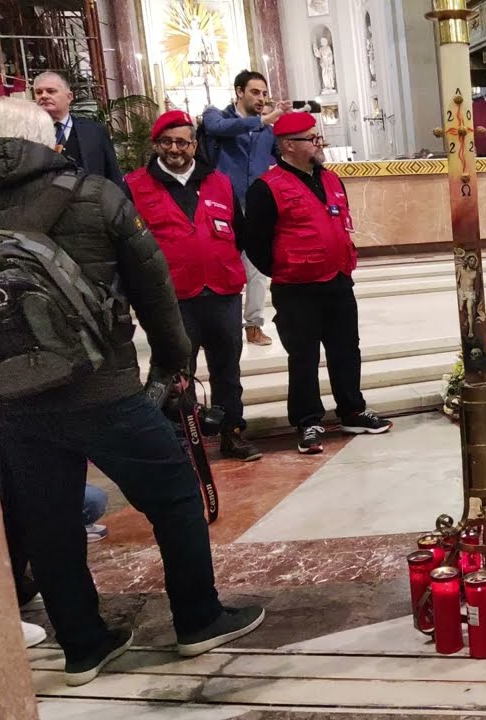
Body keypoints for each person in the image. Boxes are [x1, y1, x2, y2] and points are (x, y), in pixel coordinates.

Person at [0, 97, 264, 687]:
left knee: (49, 524)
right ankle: (198, 618)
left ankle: (84, 647)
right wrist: (170, 367)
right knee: (174, 497)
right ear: (48, 140)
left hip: (11, 399)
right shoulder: (94, 195)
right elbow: (155, 290)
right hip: (103, 387)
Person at [244, 112, 393, 454]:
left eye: (318, 137)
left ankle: (352, 411)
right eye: (312, 139)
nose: (319, 143)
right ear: (288, 146)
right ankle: (308, 421)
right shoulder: (266, 188)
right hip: (296, 288)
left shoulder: (331, 180)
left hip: (338, 281)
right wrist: (287, 268)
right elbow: (255, 243)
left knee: (346, 350)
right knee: (304, 357)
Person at [125, 110, 262, 462]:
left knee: (227, 370)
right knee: (174, 373)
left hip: (222, 293)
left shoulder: (218, 182)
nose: (175, 148)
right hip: (172, 299)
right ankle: (179, 440)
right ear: (156, 144)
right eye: (167, 141)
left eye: (182, 141)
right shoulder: (135, 185)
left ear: (194, 144)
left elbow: (241, 234)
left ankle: (232, 432)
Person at [201, 70, 292, 348]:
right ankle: (211, 328)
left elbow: (283, 156)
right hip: (221, 205)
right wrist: (264, 120)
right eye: (255, 92)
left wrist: (291, 130)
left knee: (256, 269)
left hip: (254, 206)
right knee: (217, 267)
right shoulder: (216, 115)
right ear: (239, 91)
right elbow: (219, 130)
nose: (261, 98)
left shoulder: (267, 130)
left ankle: (253, 326)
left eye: (264, 93)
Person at [32, 72, 122, 188]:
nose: (43, 96)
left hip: (89, 201)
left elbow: (113, 174)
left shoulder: (95, 131)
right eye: (38, 92)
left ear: (69, 97)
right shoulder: (28, 132)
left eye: (51, 91)